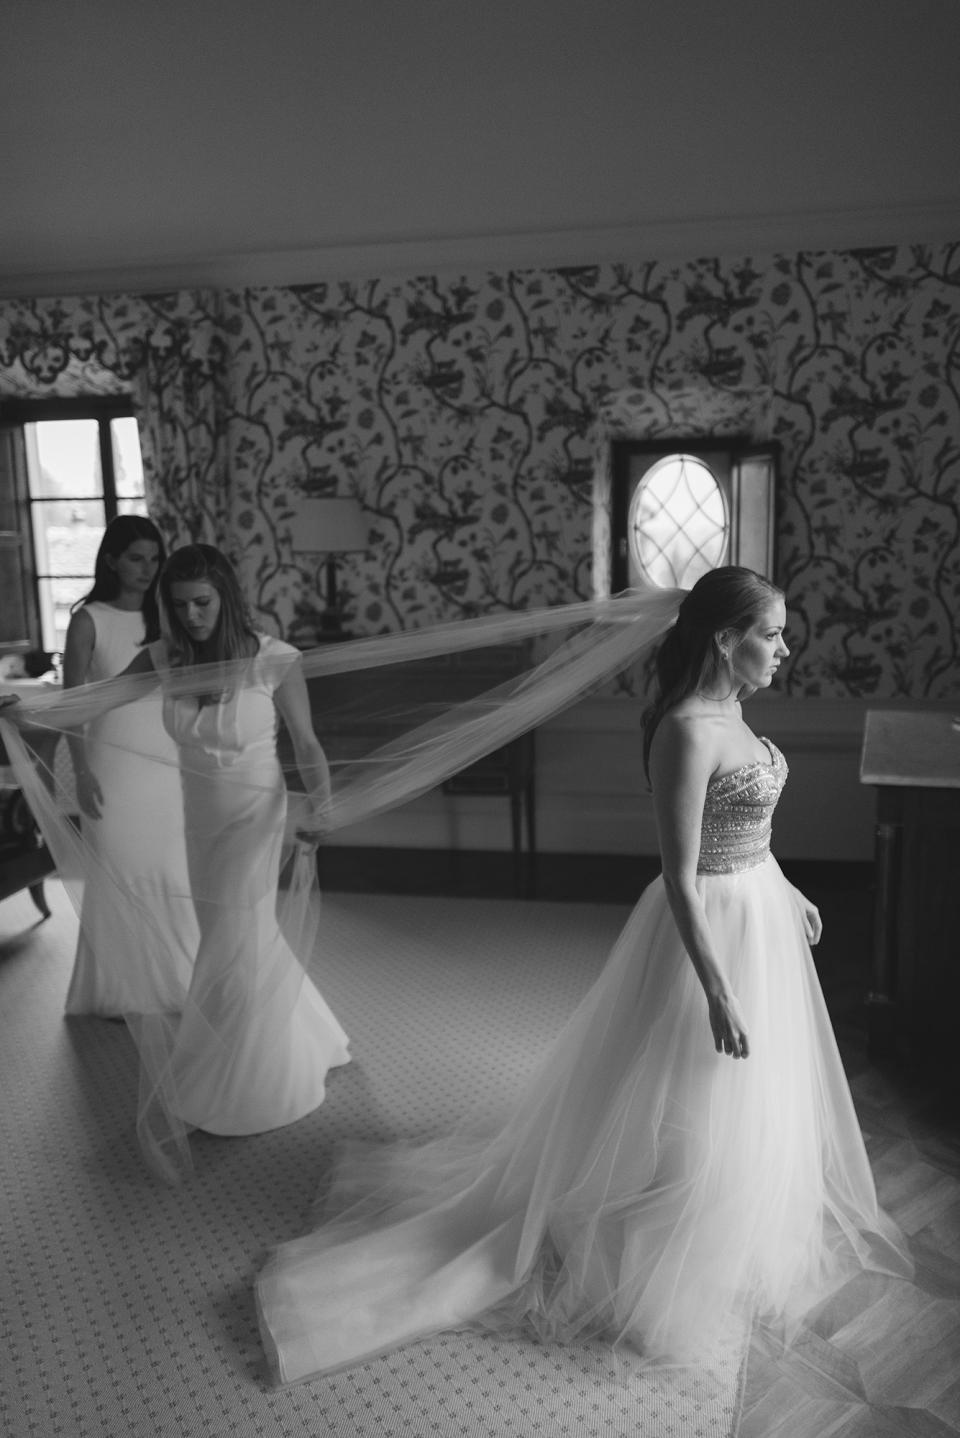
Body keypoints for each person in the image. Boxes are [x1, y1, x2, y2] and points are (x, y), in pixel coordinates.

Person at [254, 565, 911, 1386]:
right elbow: (681, 873)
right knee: (685, 1086)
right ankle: (651, 1245)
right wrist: (713, 987)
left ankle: (712, 1228)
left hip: (759, 914)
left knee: (741, 1096)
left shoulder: (735, 710)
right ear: (724, 638)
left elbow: (750, 832)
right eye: (772, 633)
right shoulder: (684, 730)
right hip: (702, 932)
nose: (785, 647)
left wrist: (789, 888)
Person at [116, 544, 351, 1158]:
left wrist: (320, 807)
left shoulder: (273, 659)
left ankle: (241, 1082)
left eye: (202, 602)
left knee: (233, 936)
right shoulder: (163, 659)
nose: (192, 616)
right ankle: (308, 1036)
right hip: (200, 818)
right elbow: (94, 699)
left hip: (255, 812)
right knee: (235, 932)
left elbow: (305, 742)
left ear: (226, 597)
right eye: (179, 605)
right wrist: (24, 708)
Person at [61, 515, 197, 1016]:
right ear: (112, 560)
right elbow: (71, 704)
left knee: (173, 871)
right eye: (136, 558)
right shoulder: (88, 619)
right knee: (119, 867)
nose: (147, 568)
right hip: (111, 761)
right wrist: (80, 771)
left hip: (168, 758)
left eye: (154, 558)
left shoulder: (170, 616)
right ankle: (117, 991)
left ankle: (178, 982)